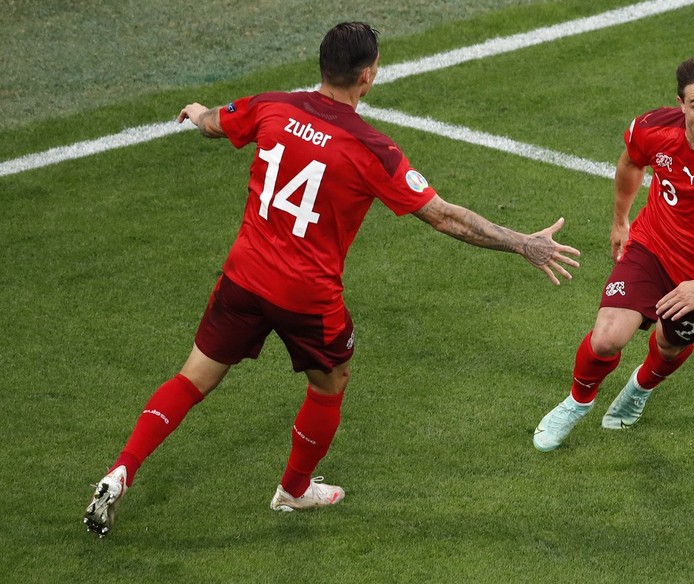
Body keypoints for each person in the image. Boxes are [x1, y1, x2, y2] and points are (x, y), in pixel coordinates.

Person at [84, 21, 581, 537]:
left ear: (322, 65)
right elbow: (444, 217)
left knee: (192, 379)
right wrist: (521, 241)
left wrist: (195, 113)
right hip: (307, 297)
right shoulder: (372, 148)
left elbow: (214, 122)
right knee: (330, 382)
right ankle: (294, 490)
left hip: (244, 277)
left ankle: (121, 471)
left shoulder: (273, 106)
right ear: (367, 76)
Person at [533, 55, 694, 452]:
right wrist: (621, 220)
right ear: (681, 103)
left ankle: (639, 388)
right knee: (606, 339)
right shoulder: (653, 128)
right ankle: (576, 403)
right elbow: (631, 163)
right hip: (652, 247)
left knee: (669, 346)